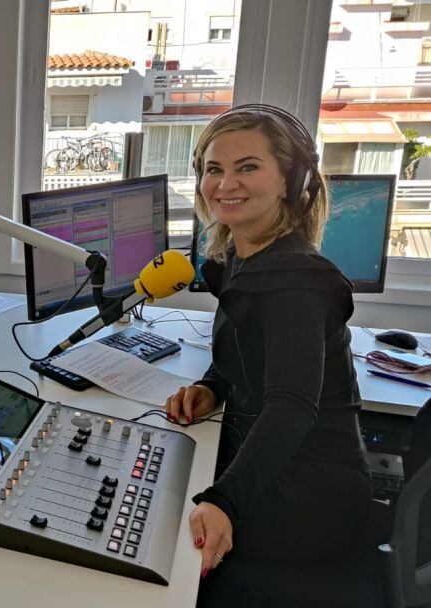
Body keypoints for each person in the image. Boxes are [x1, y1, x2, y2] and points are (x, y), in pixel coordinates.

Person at [164, 105, 372, 604]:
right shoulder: (241, 255)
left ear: (288, 181)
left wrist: (224, 502)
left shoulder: (296, 282)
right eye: (214, 169)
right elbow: (244, 348)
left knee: (163, 533)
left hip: (310, 495)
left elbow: (292, 405)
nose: (225, 184)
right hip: (271, 461)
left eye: (248, 167)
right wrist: (212, 387)